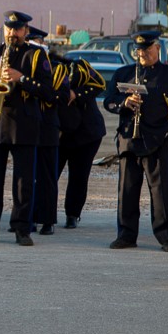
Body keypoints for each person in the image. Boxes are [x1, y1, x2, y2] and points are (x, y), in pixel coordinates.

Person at [103, 31, 168, 252]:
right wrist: (124, 102)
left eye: (147, 49)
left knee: (161, 192)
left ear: (157, 47)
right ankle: (126, 235)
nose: (143, 54)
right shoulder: (123, 73)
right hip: (129, 140)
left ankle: (166, 236)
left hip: (157, 139)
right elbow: (109, 101)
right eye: (139, 50)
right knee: (126, 191)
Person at [0, 10, 54, 247]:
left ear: (26, 31)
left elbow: (48, 91)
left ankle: (21, 229)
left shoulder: (36, 55)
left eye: (18, 29)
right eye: (9, 29)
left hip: (24, 125)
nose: (13, 33)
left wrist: (22, 78)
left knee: (23, 183)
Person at [56, 47, 107, 229]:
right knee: (49, 175)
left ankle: (73, 214)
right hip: (59, 133)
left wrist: (76, 94)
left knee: (79, 176)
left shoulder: (76, 66)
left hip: (86, 133)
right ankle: (43, 215)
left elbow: (99, 84)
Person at [27, 26, 62, 235]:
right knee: (27, 176)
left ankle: (48, 220)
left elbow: (58, 95)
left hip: (47, 125)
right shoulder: (21, 65)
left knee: (47, 176)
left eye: (37, 42)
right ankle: (28, 217)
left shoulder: (56, 67)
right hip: (27, 125)